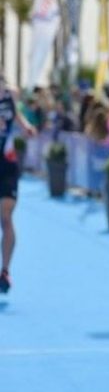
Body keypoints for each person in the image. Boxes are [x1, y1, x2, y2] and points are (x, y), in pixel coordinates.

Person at [0, 76, 36, 293]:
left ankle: (5, 270)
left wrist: (27, 128)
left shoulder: (11, 97)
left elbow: (20, 120)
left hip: (7, 164)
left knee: (6, 217)